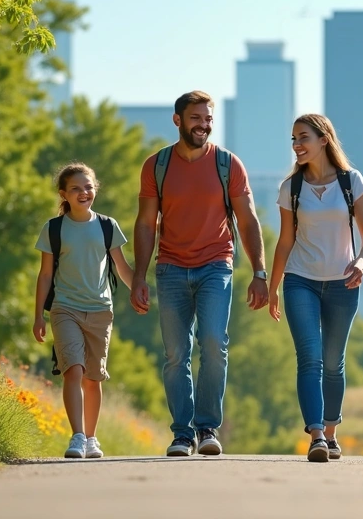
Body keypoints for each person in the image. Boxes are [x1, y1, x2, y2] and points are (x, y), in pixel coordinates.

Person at [130, 91, 269, 457]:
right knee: (176, 353)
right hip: (171, 268)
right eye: (196, 118)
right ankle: (182, 433)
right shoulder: (156, 166)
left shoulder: (228, 164)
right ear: (178, 120)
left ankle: (207, 427)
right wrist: (138, 277)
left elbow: (248, 219)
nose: (203, 125)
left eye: (208, 118)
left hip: (216, 265)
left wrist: (260, 272)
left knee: (212, 343)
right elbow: (146, 223)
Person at [259, 114, 363, 463]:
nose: (296, 145)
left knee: (332, 362)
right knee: (309, 358)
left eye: (303, 137)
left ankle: (331, 430)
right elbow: (285, 242)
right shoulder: (290, 188)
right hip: (301, 280)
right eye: (293, 139)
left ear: (324, 139)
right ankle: (316, 436)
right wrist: (274, 286)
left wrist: (360, 261)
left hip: (344, 282)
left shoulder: (351, 181)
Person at [34, 162, 135, 459]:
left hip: (101, 310)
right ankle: (77, 436)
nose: (83, 193)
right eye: (76, 189)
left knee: (93, 377)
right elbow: (45, 275)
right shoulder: (53, 229)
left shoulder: (107, 226)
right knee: (72, 370)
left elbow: (122, 267)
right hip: (65, 308)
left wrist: (139, 292)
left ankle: (91, 438)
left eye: (88, 187)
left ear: (96, 190)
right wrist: (38, 314)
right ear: (63, 194)